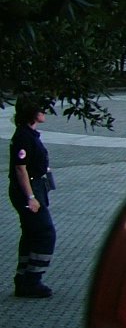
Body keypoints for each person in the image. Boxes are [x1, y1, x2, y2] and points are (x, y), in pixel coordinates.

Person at [9, 96, 57, 298]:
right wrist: (30, 197)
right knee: (45, 232)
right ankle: (33, 279)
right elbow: (20, 170)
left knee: (31, 233)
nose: (44, 113)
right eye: (41, 110)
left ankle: (23, 278)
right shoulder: (23, 137)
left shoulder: (30, 134)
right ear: (33, 114)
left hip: (36, 185)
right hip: (29, 188)